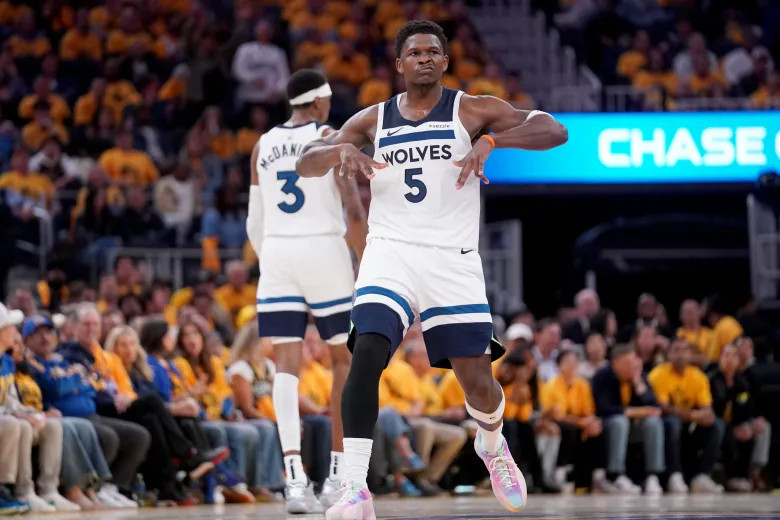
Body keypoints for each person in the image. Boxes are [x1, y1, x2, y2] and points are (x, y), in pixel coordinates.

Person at [295, 20, 567, 519]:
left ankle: (491, 443)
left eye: (432, 51)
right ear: (399, 64)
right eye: (415, 52)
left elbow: (554, 129)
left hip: (450, 258)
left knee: (477, 383)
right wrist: (340, 149)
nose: (424, 57)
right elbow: (305, 161)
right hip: (390, 252)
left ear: (444, 61)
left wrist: (492, 142)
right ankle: (355, 490)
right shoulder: (373, 119)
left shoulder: (472, 110)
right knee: (367, 352)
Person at [247, 68, 369, 513]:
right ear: (318, 101)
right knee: (343, 359)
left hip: (277, 253)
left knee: (285, 366)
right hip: (323, 251)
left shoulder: (262, 144)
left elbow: (254, 220)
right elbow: (353, 209)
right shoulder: (330, 138)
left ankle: (294, 481)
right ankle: (336, 475)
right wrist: (367, 260)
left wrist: (270, 258)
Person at [648, 338, 724, 494]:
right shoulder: (657, 375)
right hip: (666, 423)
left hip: (690, 423)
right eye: (676, 350)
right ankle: (674, 474)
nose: (681, 355)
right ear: (668, 355)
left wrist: (702, 415)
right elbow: (664, 408)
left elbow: (707, 409)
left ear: (690, 355)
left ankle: (703, 476)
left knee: (716, 425)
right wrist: (694, 415)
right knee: (673, 423)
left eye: (684, 350)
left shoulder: (698, 376)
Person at [591, 344, 665, 495]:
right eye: (627, 363)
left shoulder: (638, 376)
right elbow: (605, 408)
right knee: (620, 421)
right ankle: (616, 474)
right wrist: (638, 412)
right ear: (615, 363)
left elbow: (654, 407)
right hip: (606, 427)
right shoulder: (602, 377)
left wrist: (639, 385)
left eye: (633, 362)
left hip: (633, 427)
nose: (631, 367)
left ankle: (652, 475)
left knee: (654, 423)